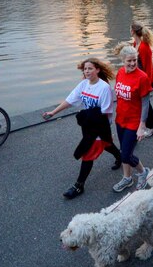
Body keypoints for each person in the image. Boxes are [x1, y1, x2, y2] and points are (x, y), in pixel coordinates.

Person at [42, 58, 123, 199]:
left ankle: (79, 186)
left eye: (90, 68)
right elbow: (69, 100)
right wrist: (53, 112)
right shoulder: (83, 85)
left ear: (97, 70)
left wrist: (105, 131)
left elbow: (106, 113)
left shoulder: (104, 88)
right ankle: (120, 157)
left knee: (88, 153)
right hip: (88, 124)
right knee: (106, 144)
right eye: (85, 69)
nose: (87, 71)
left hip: (99, 125)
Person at [111, 46, 152, 192]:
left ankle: (143, 172)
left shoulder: (142, 77)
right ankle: (127, 178)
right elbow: (119, 96)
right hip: (120, 118)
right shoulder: (120, 73)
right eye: (129, 61)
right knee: (124, 150)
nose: (133, 63)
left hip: (134, 121)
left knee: (126, 154)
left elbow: (146, 103)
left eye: (135, 60)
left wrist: (142, 126)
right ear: (122, 60)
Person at [132, 22, 153, 137]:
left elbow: (148, 67)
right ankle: (149, 125)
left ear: (133, 31)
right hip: (139, 79)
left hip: (147, 80)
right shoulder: (135, 43)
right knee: (144, 102)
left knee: (145, 103)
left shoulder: (144, 47)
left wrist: (146, 85)